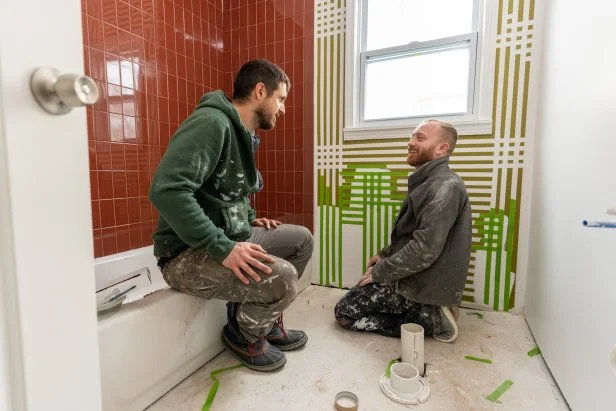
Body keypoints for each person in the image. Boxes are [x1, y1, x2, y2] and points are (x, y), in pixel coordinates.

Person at [149, 59, 314, 372]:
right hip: (185, 253)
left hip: (227, 235)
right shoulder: (212, 123)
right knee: (284, 278)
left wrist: (248, 217)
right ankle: (243, 334)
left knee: (301, 240)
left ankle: (263, 319)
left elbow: (227, 188)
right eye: (280, 99)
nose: (283, 109)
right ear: (260, 91)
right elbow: (167, 190)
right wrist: (223, 247)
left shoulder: (241, 133)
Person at [334, 119, 472, 343]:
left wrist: (381, 272)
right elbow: (411, 235)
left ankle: (433, 319)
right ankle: (425, 312)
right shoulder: (428, 182)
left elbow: (424, 249)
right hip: (415, 276)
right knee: (358, 293)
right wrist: (385, 255)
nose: (410, 142)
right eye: (412, 136)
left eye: (420, 138)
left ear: (441, 148)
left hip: (423, 284)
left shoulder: (444, 186)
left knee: (345, 312)